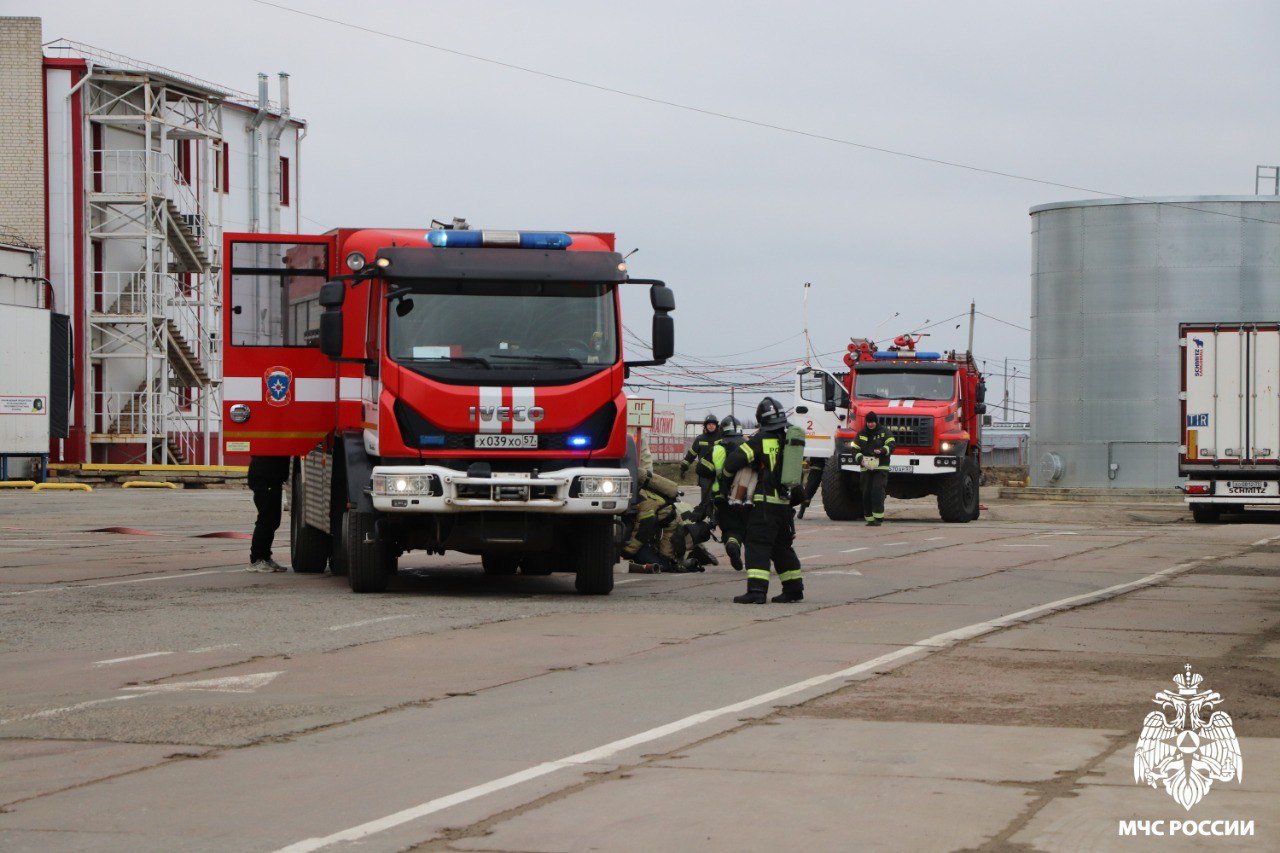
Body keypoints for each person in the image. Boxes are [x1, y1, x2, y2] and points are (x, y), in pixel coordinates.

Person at [722, 397, 805, 604]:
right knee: (781, 547)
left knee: (757, 544)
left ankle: (757, 591)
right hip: (784, 505)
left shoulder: (760, 440)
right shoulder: (789, 439)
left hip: (764, 504)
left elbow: (734, 461)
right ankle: (794, 588)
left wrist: (725, 478)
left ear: (761, 420)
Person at [711, 415, 748, 570]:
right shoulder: (748, 445)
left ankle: (732, 543)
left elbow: (713, 471)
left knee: (730, 528)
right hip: (745, 494)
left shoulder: (718, 448)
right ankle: (752, 558)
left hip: (722, 495)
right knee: (748, 528)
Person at [246, 456, 291, 572]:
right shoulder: (265, 451)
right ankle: (257, 559)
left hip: (272, 479)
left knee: (273, 520)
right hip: (265, 479)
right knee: (266, 519)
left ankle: (265, 557)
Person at [852, 411, 895, 526]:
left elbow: (891, 444)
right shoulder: (861, 434)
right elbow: (854, 449)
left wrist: (882, 451)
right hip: (866, 467)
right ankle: (869, 519)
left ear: (876, 422)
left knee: (877, 491)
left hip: (880, 467)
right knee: (866, 493)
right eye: (869, 422)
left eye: (872, 422)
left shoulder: (884, 432)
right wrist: (859, 457)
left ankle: (878, 518)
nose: (870, 424)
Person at [680, 414, 721, 506]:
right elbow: (691, 455)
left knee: (719, 496)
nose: (711, 426)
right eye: (709, 424)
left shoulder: (721, 437)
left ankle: (717, 517)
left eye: (713, 424)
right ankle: (707, 514)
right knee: (706, 497)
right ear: (705, 426)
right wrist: (683, 468)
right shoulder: (700, 439)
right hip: (704, 474)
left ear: (716, 426)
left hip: (719, 473)